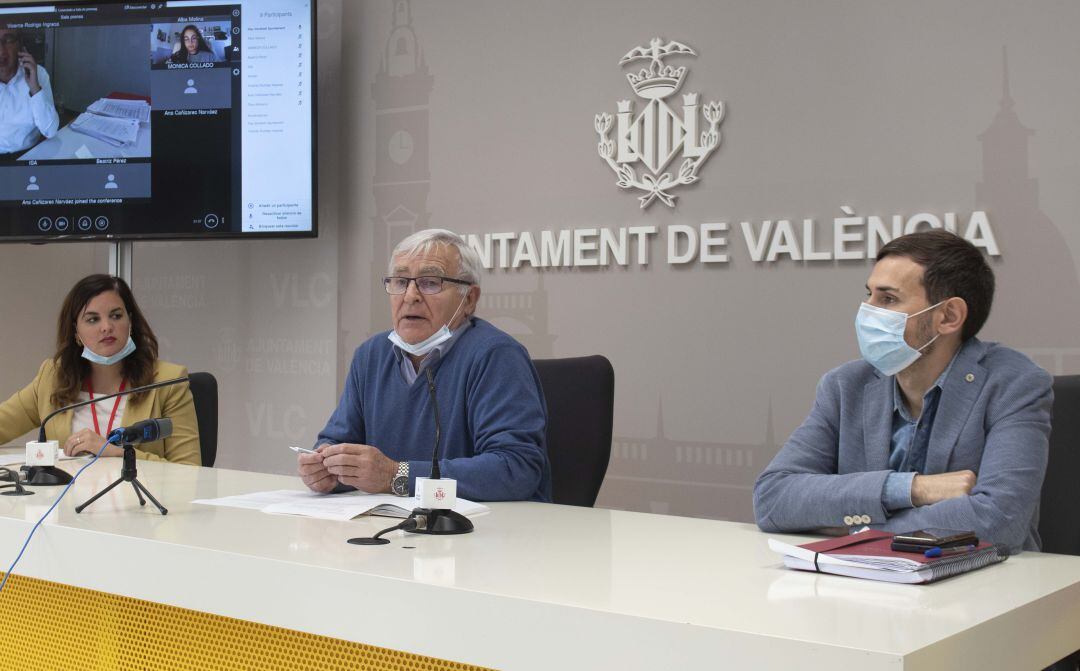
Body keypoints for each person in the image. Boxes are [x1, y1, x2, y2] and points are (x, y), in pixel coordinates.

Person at [753, 230, 1052, 554]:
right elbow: (773, 499)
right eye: (869, 295)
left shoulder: (1013, 385)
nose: (867, 312)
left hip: (982, 588)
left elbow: (998, 522)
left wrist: (853, 525)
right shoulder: (845, 386)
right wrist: (912, 489)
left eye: (888, 299)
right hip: (864, 584)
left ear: (949, 316)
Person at [299, 229, 551, 501]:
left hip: (486, 532)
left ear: (469, 299)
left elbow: (515, 468)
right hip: (393, 528)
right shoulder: (370, 355)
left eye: (430, 282)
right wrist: (326, 467)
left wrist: (396, 475)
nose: (410, 296)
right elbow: (337, 440)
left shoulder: (496, 355)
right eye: (400, 282)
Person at [0, 274, 201, 465]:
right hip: (69, 499)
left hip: (136, 500)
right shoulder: (53, 377)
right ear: (75, 331)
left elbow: (190, 470)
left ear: (129, 321)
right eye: (92, 319)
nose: (106, 327)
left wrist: (116, 453)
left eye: (115, 316)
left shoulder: (168, 382)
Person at [0, 28, 59, 159]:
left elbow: (50, 131)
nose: (1, 50)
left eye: (8, 40)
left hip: (28, 155)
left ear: (19, 45)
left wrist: (34, 87)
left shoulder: (38, 74)